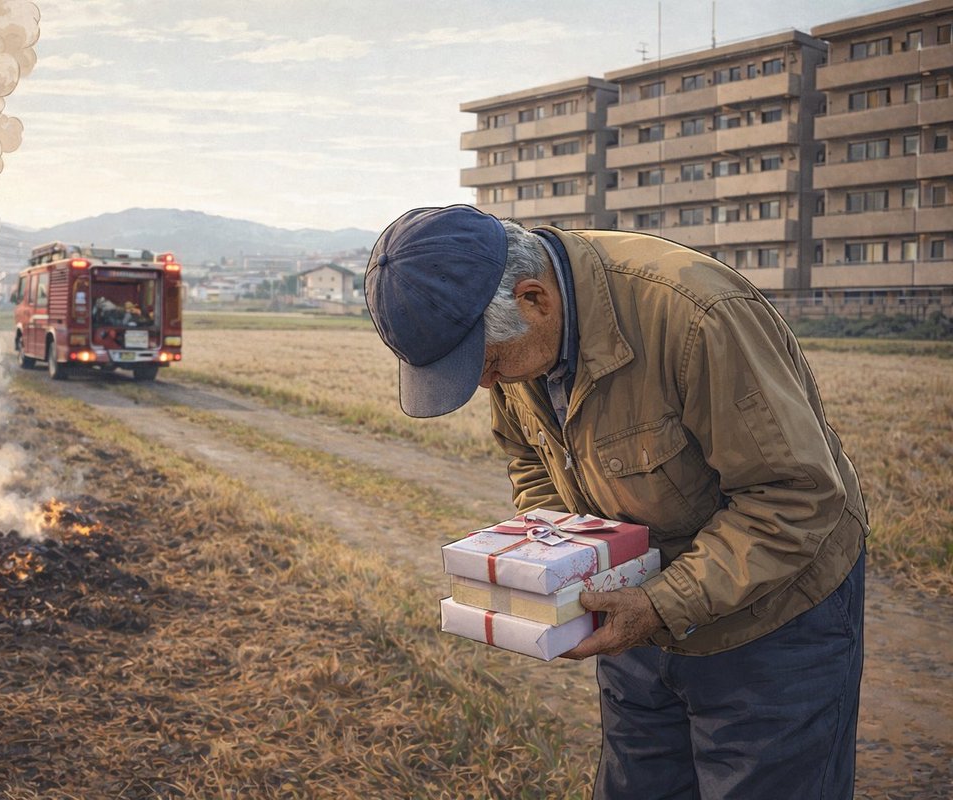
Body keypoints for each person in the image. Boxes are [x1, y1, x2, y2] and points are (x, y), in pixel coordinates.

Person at [364, 205, 868, 799]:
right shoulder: (521, 342)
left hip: (772, 617)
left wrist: (661, 601)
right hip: (635, 608)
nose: (484, 385)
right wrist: (562, 557)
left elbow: (794, 498)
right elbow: (529, 457)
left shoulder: (695, 315)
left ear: (534, 299)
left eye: (489, 362)